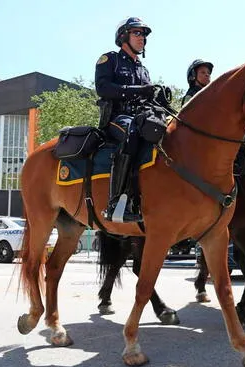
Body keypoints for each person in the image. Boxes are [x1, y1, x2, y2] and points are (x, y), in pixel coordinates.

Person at [95, 16, 155, 223]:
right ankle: (116, 204)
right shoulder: (109, 59)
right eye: (137, 33)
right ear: (123, 36)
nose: (142, 38)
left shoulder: (143, 69)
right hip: (116, 117)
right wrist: (139, 90)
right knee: (132, 134)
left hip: (140, 117)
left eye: (144, 35)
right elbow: (102, 88)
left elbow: (147, 97)